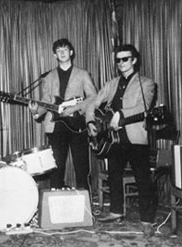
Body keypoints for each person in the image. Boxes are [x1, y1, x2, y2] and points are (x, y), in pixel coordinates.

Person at [85, 44, 157, 236]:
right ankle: (116, 211)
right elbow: (93, 102)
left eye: (125, 59)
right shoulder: (111, 84)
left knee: (143, 180)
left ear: (134, 60)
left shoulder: (147, 83)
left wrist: (120, 115)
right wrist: (90, 121)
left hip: (135, 139)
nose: (121, 63)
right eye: (118, 60)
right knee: (114, 175)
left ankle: (147, 220)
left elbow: (144, 107)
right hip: (113, 140)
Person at [28, 38, 97, 190]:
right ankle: (55, 203)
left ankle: (85, 203)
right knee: (56, 168)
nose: (62, 53)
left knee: (81, 167)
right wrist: (36, 111)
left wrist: (74, 108)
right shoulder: (48, 77)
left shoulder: (83, 74)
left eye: (65, 50)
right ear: (55, 55)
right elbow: (46, 102)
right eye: (59, 51)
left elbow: (93, 97)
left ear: (71, 52)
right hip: (55, 126)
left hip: (77, 124)